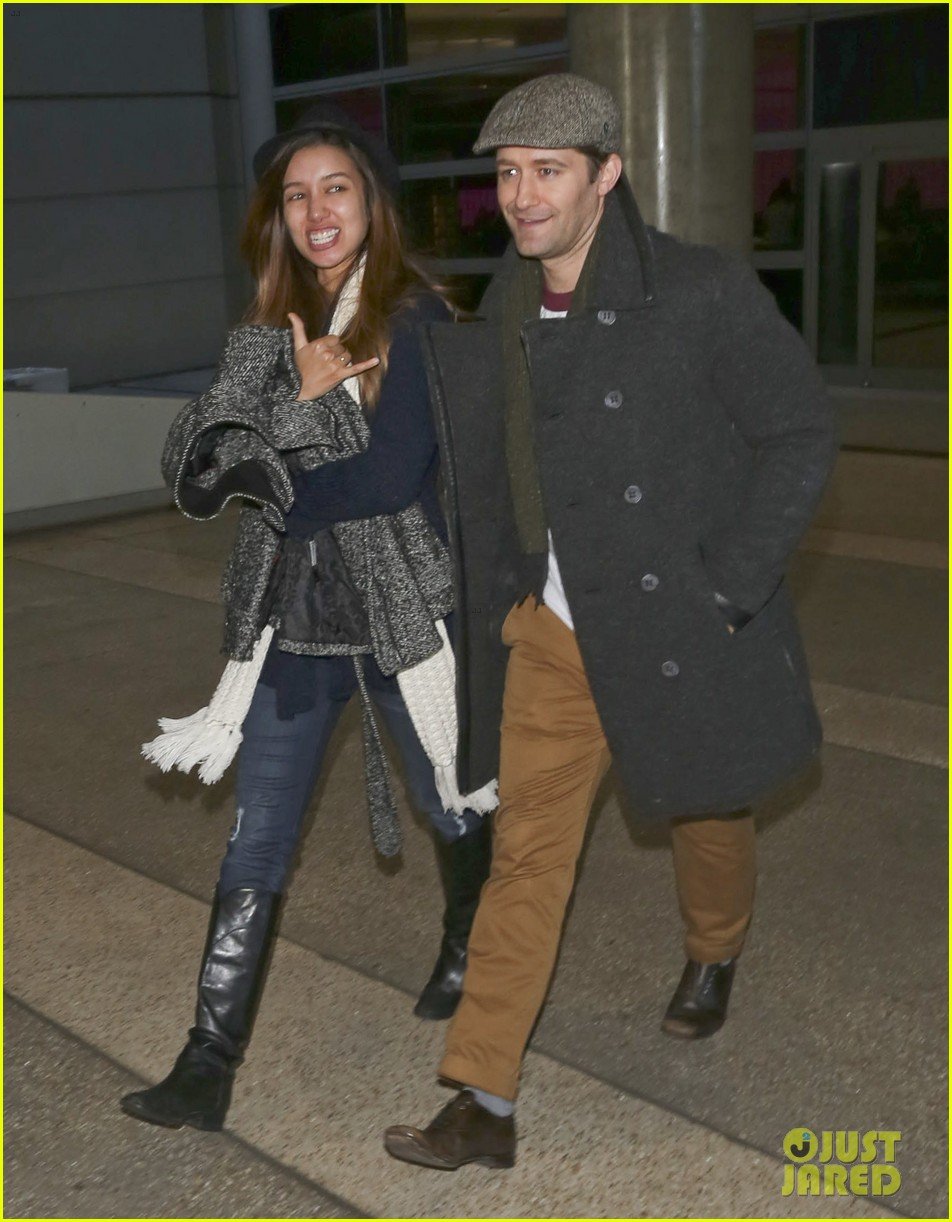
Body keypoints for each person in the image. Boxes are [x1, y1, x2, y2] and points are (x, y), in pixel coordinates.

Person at [383, 73, 838, 1170]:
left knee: (706, 808)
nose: (521, 196)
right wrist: (504, 598)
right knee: (526, 859)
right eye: (505, 173)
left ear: (606, 175)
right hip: (557, 633)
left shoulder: (698, 291)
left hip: (680, 621)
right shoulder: (503, 306)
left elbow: (800, 431)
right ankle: (481, 1098)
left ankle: (713, 948)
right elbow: (493, 469)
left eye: (547, 171)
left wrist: (727, 582)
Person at [120, 104, 496, 1134]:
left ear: (370, 204)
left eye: (335, 188)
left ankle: (468, 942)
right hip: (291, 621)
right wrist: (291, 405)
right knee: (256, 841)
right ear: (277, 220)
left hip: (400, 611)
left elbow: (384, 477)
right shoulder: (262, 335)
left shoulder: (414, 320)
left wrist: (268, 460)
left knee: (450, 799)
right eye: (296, 196)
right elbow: (191, 475)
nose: (316, 210)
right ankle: (206, 1067)